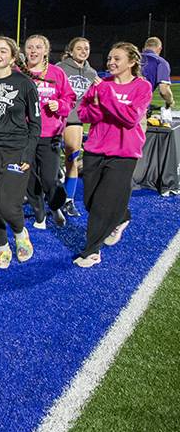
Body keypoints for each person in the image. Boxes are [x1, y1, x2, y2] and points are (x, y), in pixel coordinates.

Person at [74, 42, 152, 267]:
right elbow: (84, 112)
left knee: (102, 206)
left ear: (132, 62)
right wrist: (98, 107)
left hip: (124, 153)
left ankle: (92, 251)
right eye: (109, 58)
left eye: (117, 58)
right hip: (96, 149)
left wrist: (106, 96)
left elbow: (129, 118)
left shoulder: (141, 87)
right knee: (90, 201)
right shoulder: (101, 84)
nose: (111, 62)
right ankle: (122, 216)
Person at [0, 37, 40, 268]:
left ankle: (20, 232)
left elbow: (35, 123)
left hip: (15, 151)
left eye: (3, 51)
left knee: (7, 206)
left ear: (13, 58)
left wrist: (28, 153)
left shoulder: (25, 83)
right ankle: (2, 247)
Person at [23, 34, 75, 229]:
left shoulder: (56, 73)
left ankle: (55, 205)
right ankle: (39, 213)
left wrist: (59, 105)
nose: (33, 51)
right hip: (24, 136)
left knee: (48, 178)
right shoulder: (18, 72)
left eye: (38, 47)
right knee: (28, 178)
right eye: (30, 47)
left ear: (46, 50)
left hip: (49, 134)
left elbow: (69, 99)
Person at [56, 37, 98, 217]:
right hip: (56, 118)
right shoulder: (59, 68)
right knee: (47, 161)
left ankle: (68, 199)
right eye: (79, 48)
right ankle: (49, 192)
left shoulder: (91, 73)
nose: (83, 51)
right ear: (70, 51)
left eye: (86, 48)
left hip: (75, 120)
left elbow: (93, 96)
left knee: (72, 158)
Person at [141, 37, 174, 124]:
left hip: (116, 104)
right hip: (137, 110)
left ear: (144, 48)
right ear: (159, 49)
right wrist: (170, 102)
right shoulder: (161, 62)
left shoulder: (131, 59)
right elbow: (164, 91)